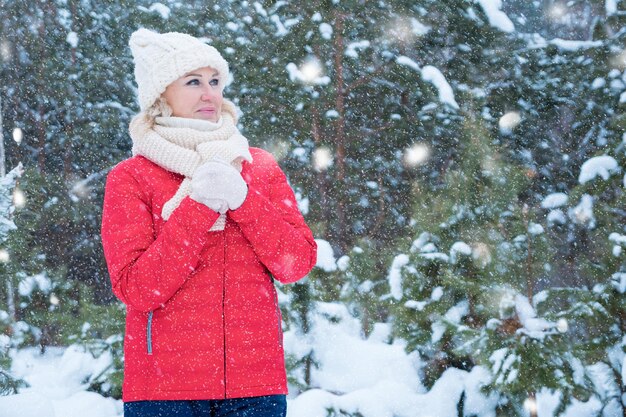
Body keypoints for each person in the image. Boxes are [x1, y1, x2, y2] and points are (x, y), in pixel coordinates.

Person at [101, 28, 317, 417]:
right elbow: (138, 288)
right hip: (164, 391)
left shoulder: (257, 167)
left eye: (215, 81)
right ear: (160, 93)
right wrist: (199, 205)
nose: (209, 93)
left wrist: (242, 199)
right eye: (193, 81)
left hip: (256, 388)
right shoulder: (131, 177)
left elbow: (295, 263)